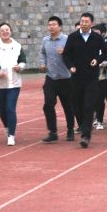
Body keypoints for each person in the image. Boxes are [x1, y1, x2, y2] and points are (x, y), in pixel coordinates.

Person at [63, 12, 107, 148]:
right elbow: (66, 55)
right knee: (77, 105)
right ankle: (84, 125)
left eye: (86, 21)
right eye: (82, 21)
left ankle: (85, 136)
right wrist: (70, 66)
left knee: (89, 105)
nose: (83, 23)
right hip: (76, 77)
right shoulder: (73, 37)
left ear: (91, 23)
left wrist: (97, 60)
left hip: (91, 77)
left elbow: (106, 52)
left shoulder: (97, 38)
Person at [0, 22, 27, 145]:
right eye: (2, 30)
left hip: (14, 83)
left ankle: (11, 135)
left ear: (11, 31)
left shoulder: (17, 46)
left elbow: (23, 60)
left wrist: (20, 67)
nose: (5, 32)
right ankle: (7, 127)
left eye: (7, 29)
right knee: (2, 110)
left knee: (10, 108)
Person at [40, 15, 76, 143]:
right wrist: (43, 63)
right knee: (48, 105)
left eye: (54, 24)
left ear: (60, 27)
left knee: (68, 106)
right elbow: (42, 53)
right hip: (51, 77)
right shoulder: (45, 40)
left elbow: (74, 54)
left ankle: (70, 130)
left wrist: (65, 52)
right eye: (49, 25)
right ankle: (52, 132)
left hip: (65, 78)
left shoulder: (67, 40)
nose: (51, 27)